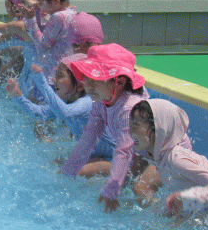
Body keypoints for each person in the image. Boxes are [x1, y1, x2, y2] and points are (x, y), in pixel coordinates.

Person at [60, 44, 154, 212]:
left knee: (140, 190)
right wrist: (67, 171)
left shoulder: (129, 109)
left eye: (95, 79)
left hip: (165, 155)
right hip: (142, 154)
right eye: (86, 77)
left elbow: (124, 150)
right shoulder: (101, 103)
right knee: (123, 181)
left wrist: (111, 191)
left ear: (120, 82)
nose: (88, 85)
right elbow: (88, 138)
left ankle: (163, 218)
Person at [6, 55, 115, 161]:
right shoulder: (66, 102)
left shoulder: (88, 103)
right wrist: (18, 96)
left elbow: (64, 112)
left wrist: (41, 81)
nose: (54, 79)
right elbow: (39, 113)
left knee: (69, 169)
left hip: (113, 157)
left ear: (80, 86)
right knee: (57, 162)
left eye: (60, 75)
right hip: (94, 155)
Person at [129, 99, 208, 195]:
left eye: (136, 126)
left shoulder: (177, 160)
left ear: (158, 128)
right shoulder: (161, 159)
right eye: (131, 126)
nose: (130, 131)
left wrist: (186, 199)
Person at [21, 0, 76, 81]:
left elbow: (42, 45)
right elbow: (44, 34)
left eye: (41, 3)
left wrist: (30, 19)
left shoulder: (58, 17)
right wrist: (35, 10)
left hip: (53, 75)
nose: (40, 6)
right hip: (65, 74)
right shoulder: (71, 12)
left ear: (55, 1)